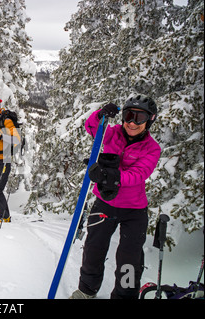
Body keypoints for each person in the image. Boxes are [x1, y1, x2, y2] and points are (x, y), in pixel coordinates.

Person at [69, 95, 161, 299]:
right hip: (105, 202)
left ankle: (124, 296)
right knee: (94, 249)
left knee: (129, 258)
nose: (132, 123)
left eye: (139, 118)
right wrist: (100, 114)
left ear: (150, 120)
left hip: (134, 210)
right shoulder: (112, 134)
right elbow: (92, 127)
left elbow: (139, 174)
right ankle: (86, 290)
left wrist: (108, 175)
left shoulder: (152, 148)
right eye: (128, 116)